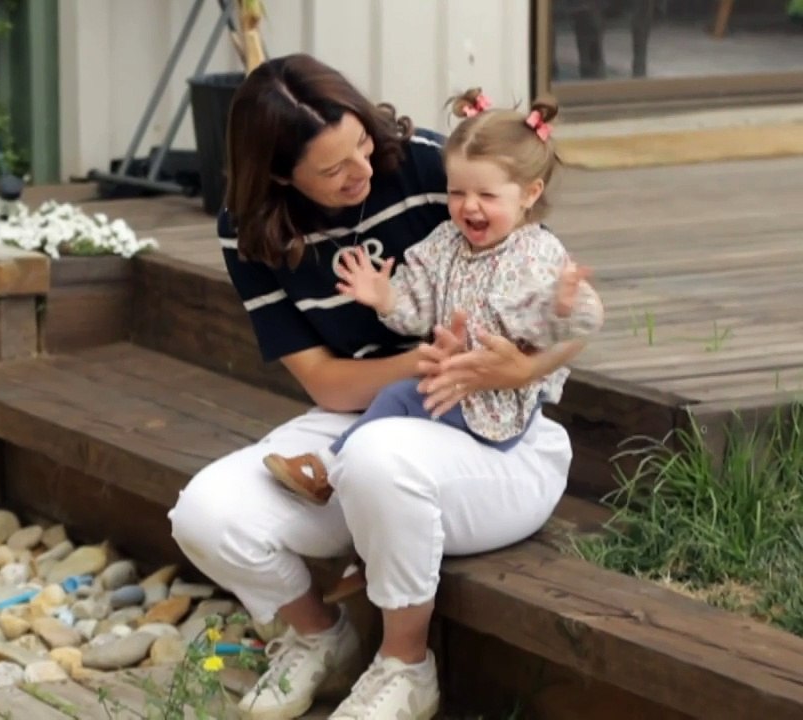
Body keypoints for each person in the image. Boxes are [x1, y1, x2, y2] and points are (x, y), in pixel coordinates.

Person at [167, 54, 587, 720]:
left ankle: (404, 666)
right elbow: (329, 385)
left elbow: (547, 301)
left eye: (361, 143)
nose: (363, 171)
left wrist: (519, 367)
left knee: (378, 455)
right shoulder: (250, 227)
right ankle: (319, 639)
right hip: (369, 413)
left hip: (492, 430)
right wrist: (423, 359)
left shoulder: (429, 164)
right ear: (281, 174)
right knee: (205, 515)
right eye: (334, 169)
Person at [262, 87, 603, 506]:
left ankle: (329, 468)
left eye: (487, 196)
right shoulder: (446, 242)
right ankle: (339, 492)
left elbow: (566, 325)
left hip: (495, 399)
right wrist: (386, 296)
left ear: (530, 194)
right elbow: (418, 309)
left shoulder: (536, 255)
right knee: (399, 400)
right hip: (448, 380)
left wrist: (562, 307)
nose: (469, 207)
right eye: (457, 193)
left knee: (398, 404)